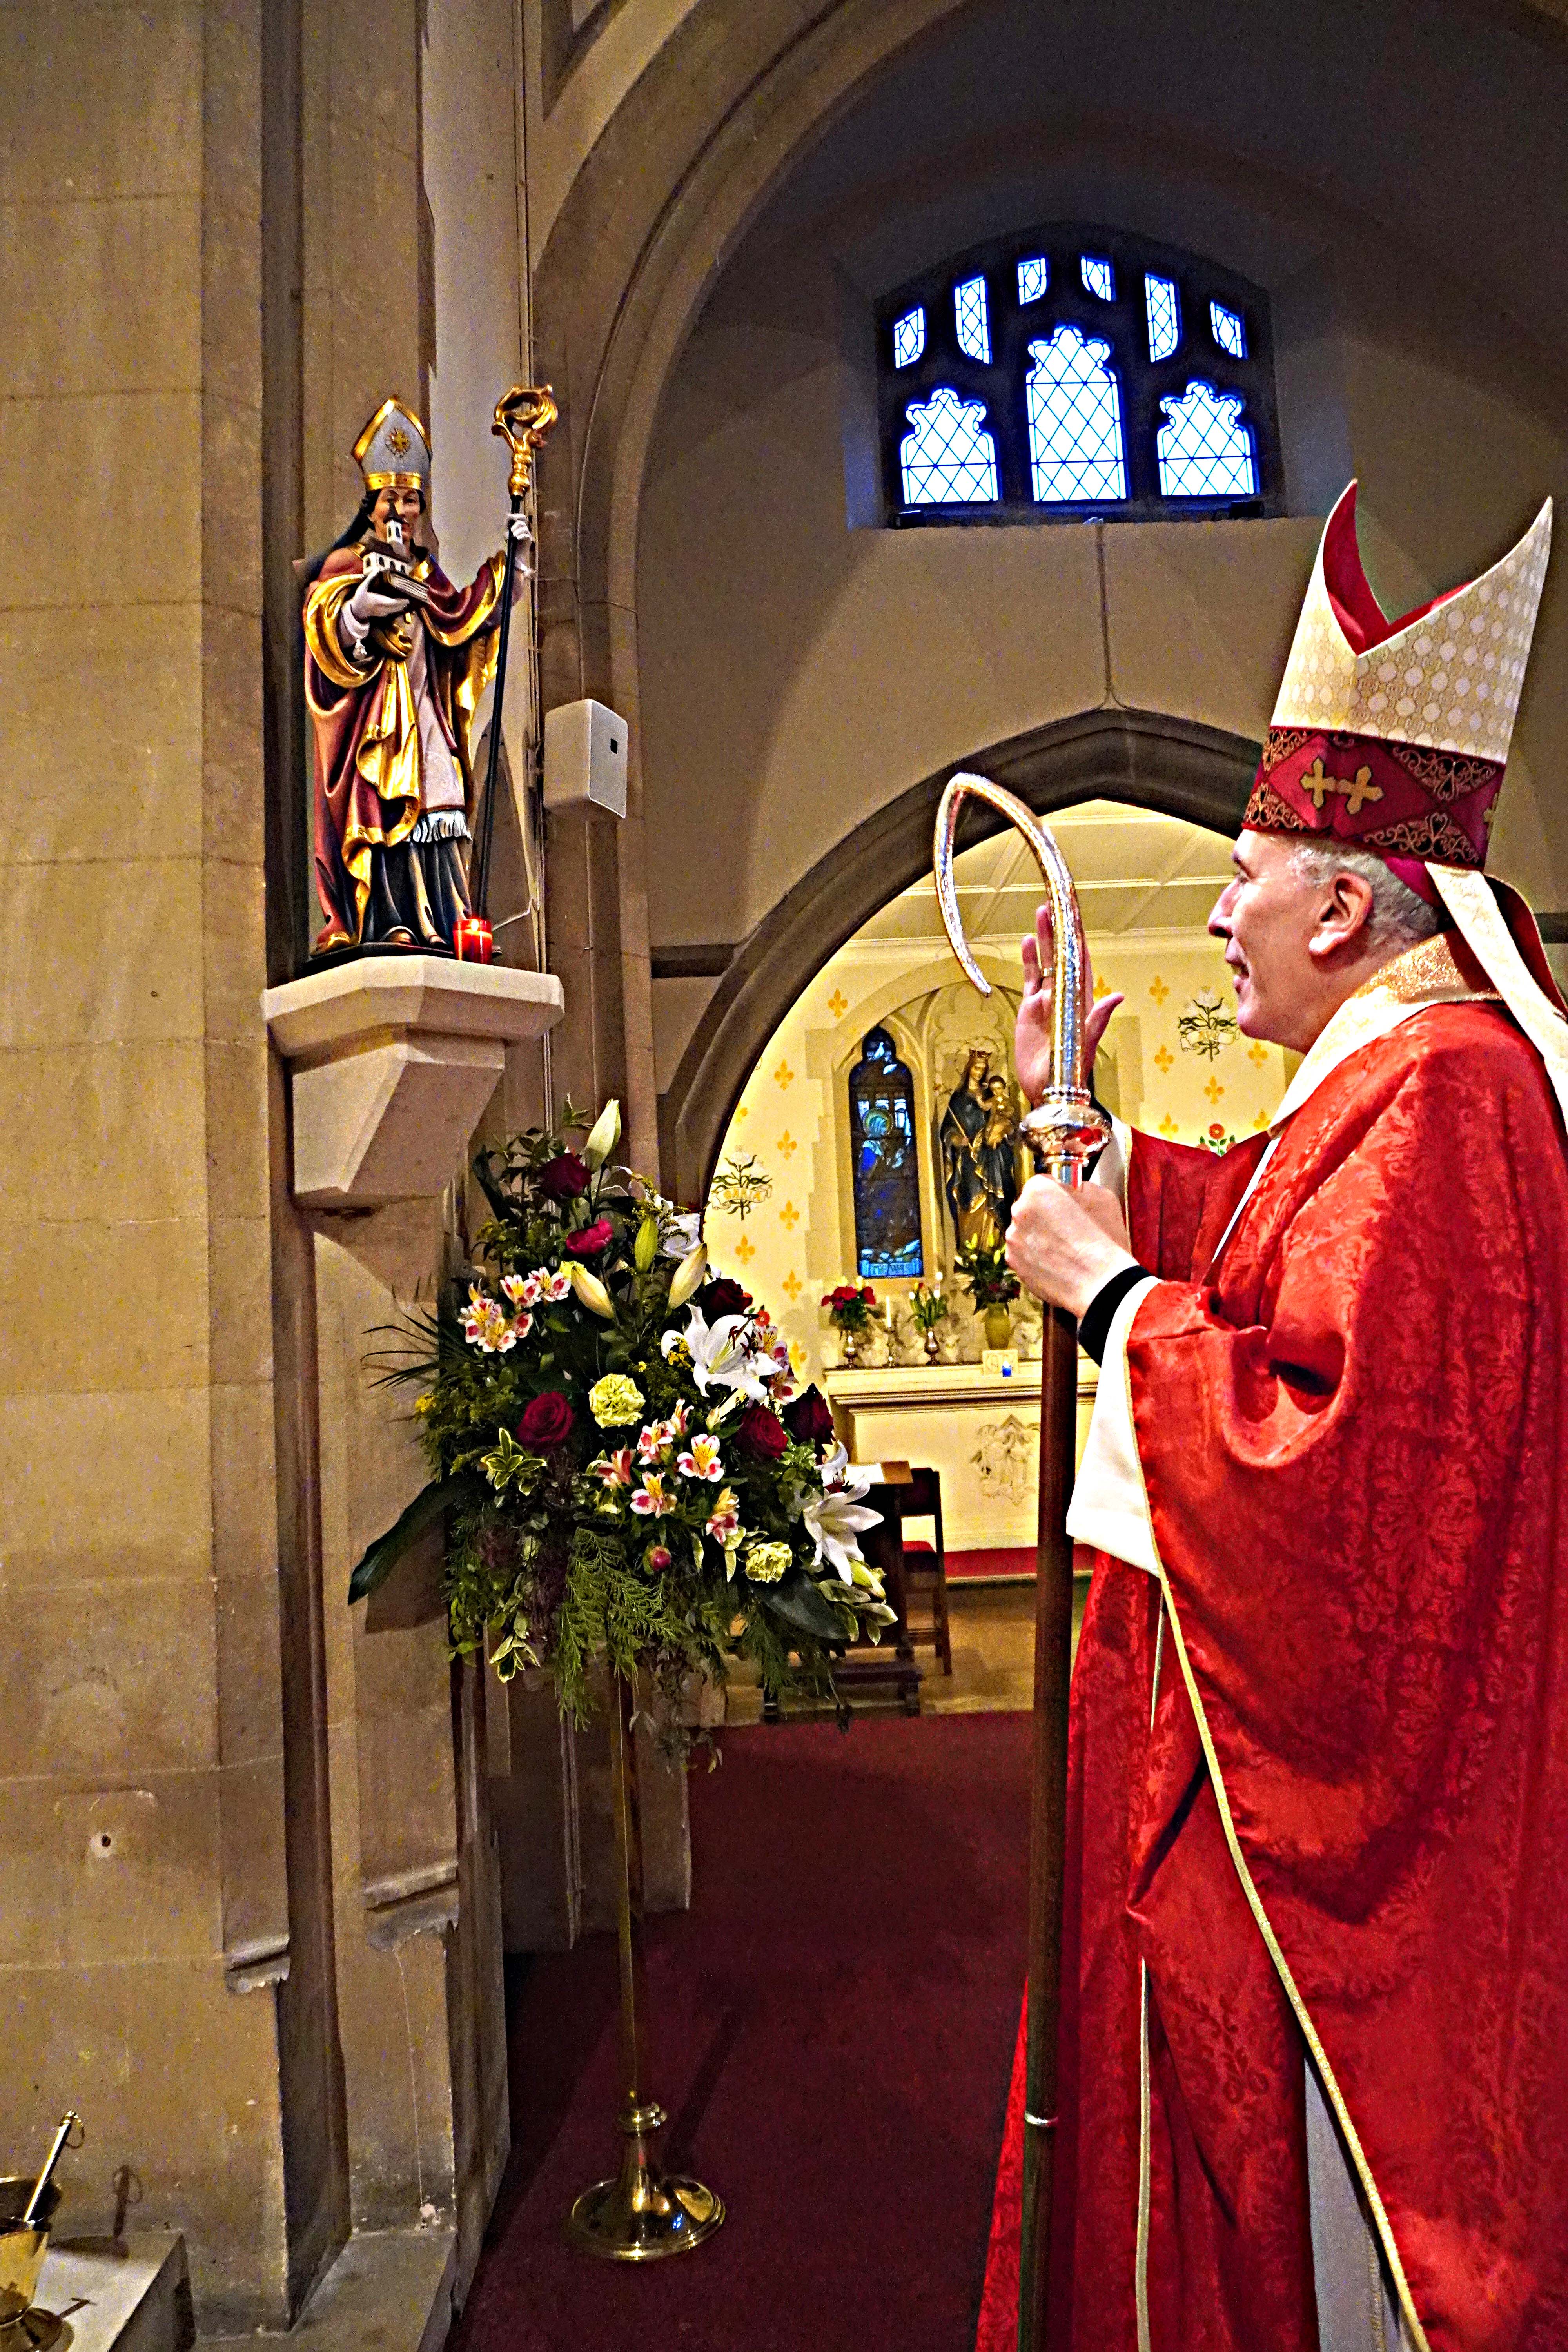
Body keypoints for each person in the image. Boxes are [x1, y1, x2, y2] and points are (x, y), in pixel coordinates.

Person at [983, 483, 1568, 2352]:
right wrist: (1081, 1145)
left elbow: (1353, 1497)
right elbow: (1257, 1241)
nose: (1218, 912)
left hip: (1351, 1868)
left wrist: (1113, 1301)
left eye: (1237, 873)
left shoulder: (1447, 1099)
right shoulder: (1383, 1085)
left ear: (1340, 894)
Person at [303, 397, 520, 955]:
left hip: (425, 715)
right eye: (390, 501)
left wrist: (510, 569)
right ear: (371, 506)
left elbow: (460, 617)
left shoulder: (424, 576)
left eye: (410, 501)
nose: (399, 513)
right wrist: (360, 612)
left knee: (440, 807)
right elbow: (327, 635)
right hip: (378, 727)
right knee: (385, 809)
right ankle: (390, 918)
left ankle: (444, 922)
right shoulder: (346, 568)